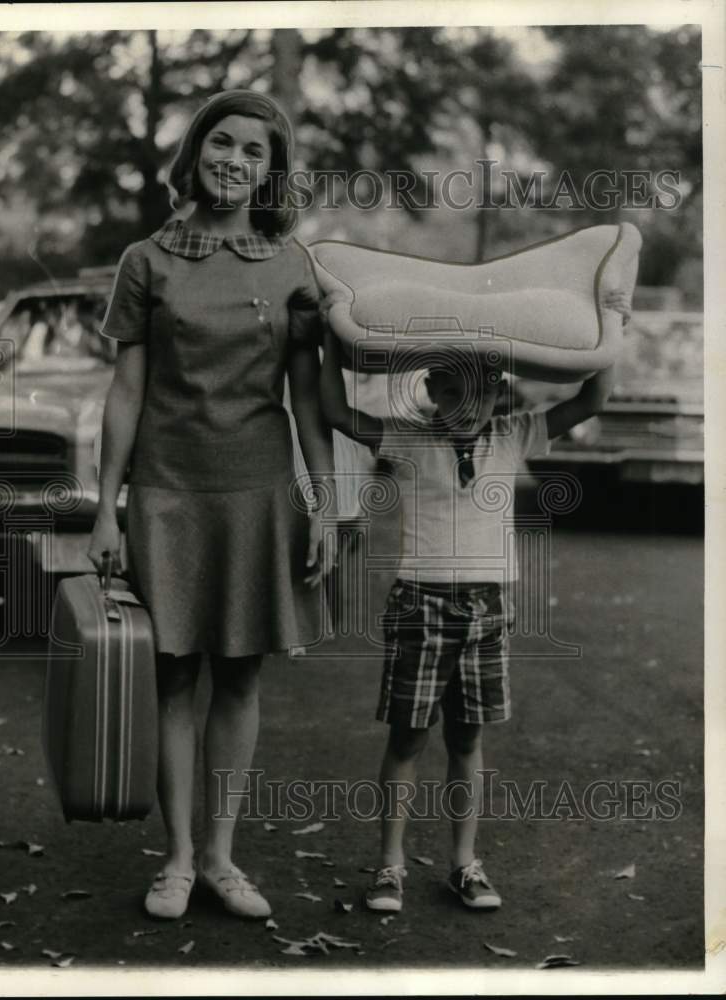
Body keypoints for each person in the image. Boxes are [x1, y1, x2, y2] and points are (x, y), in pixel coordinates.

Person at [88, 90, 336, 921]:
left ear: (272, 171)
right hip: (168, 493)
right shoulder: (145, 260)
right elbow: (126, 391)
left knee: (237, 681)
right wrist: (105, 508)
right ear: (193, 155)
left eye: (255, 151)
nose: (235, 160)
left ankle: (225, 859)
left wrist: (326, 504)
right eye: (221, 143)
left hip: (259, 496)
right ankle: (179, 861)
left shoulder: (292, 264)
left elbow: (307, 399)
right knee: (171, 681)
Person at [320, 289, 630, 913]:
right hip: (420, 606)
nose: (468, 406)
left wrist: (611, 321)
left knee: (467, 742)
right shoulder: (407, 440)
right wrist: (331, 332)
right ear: (432, 390)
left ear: (499, 394)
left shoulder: (514, 437)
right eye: (454, 392)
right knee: (407, 741)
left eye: (482, 392)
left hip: (487, 610)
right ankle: (389, 867)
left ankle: (465, 863)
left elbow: (593, 396)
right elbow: (332, 406)